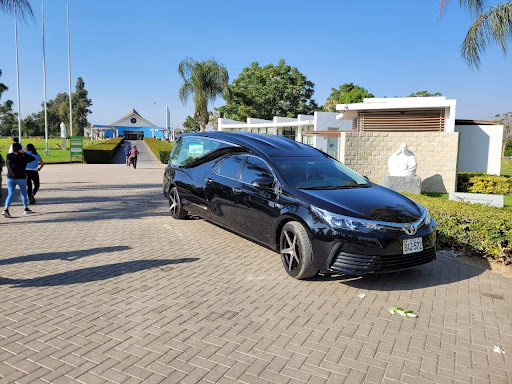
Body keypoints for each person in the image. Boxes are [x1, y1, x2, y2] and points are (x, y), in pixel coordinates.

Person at [2, 143, 35, 217]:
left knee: (10, 194)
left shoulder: (9, 156)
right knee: (23, 194)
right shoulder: (23, 157)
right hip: (21, 177)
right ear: (20, 149)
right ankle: (25, 208)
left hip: (10, 178)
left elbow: (12, 159)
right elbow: (33, 158)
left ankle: (6, 209)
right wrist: (24, 153)